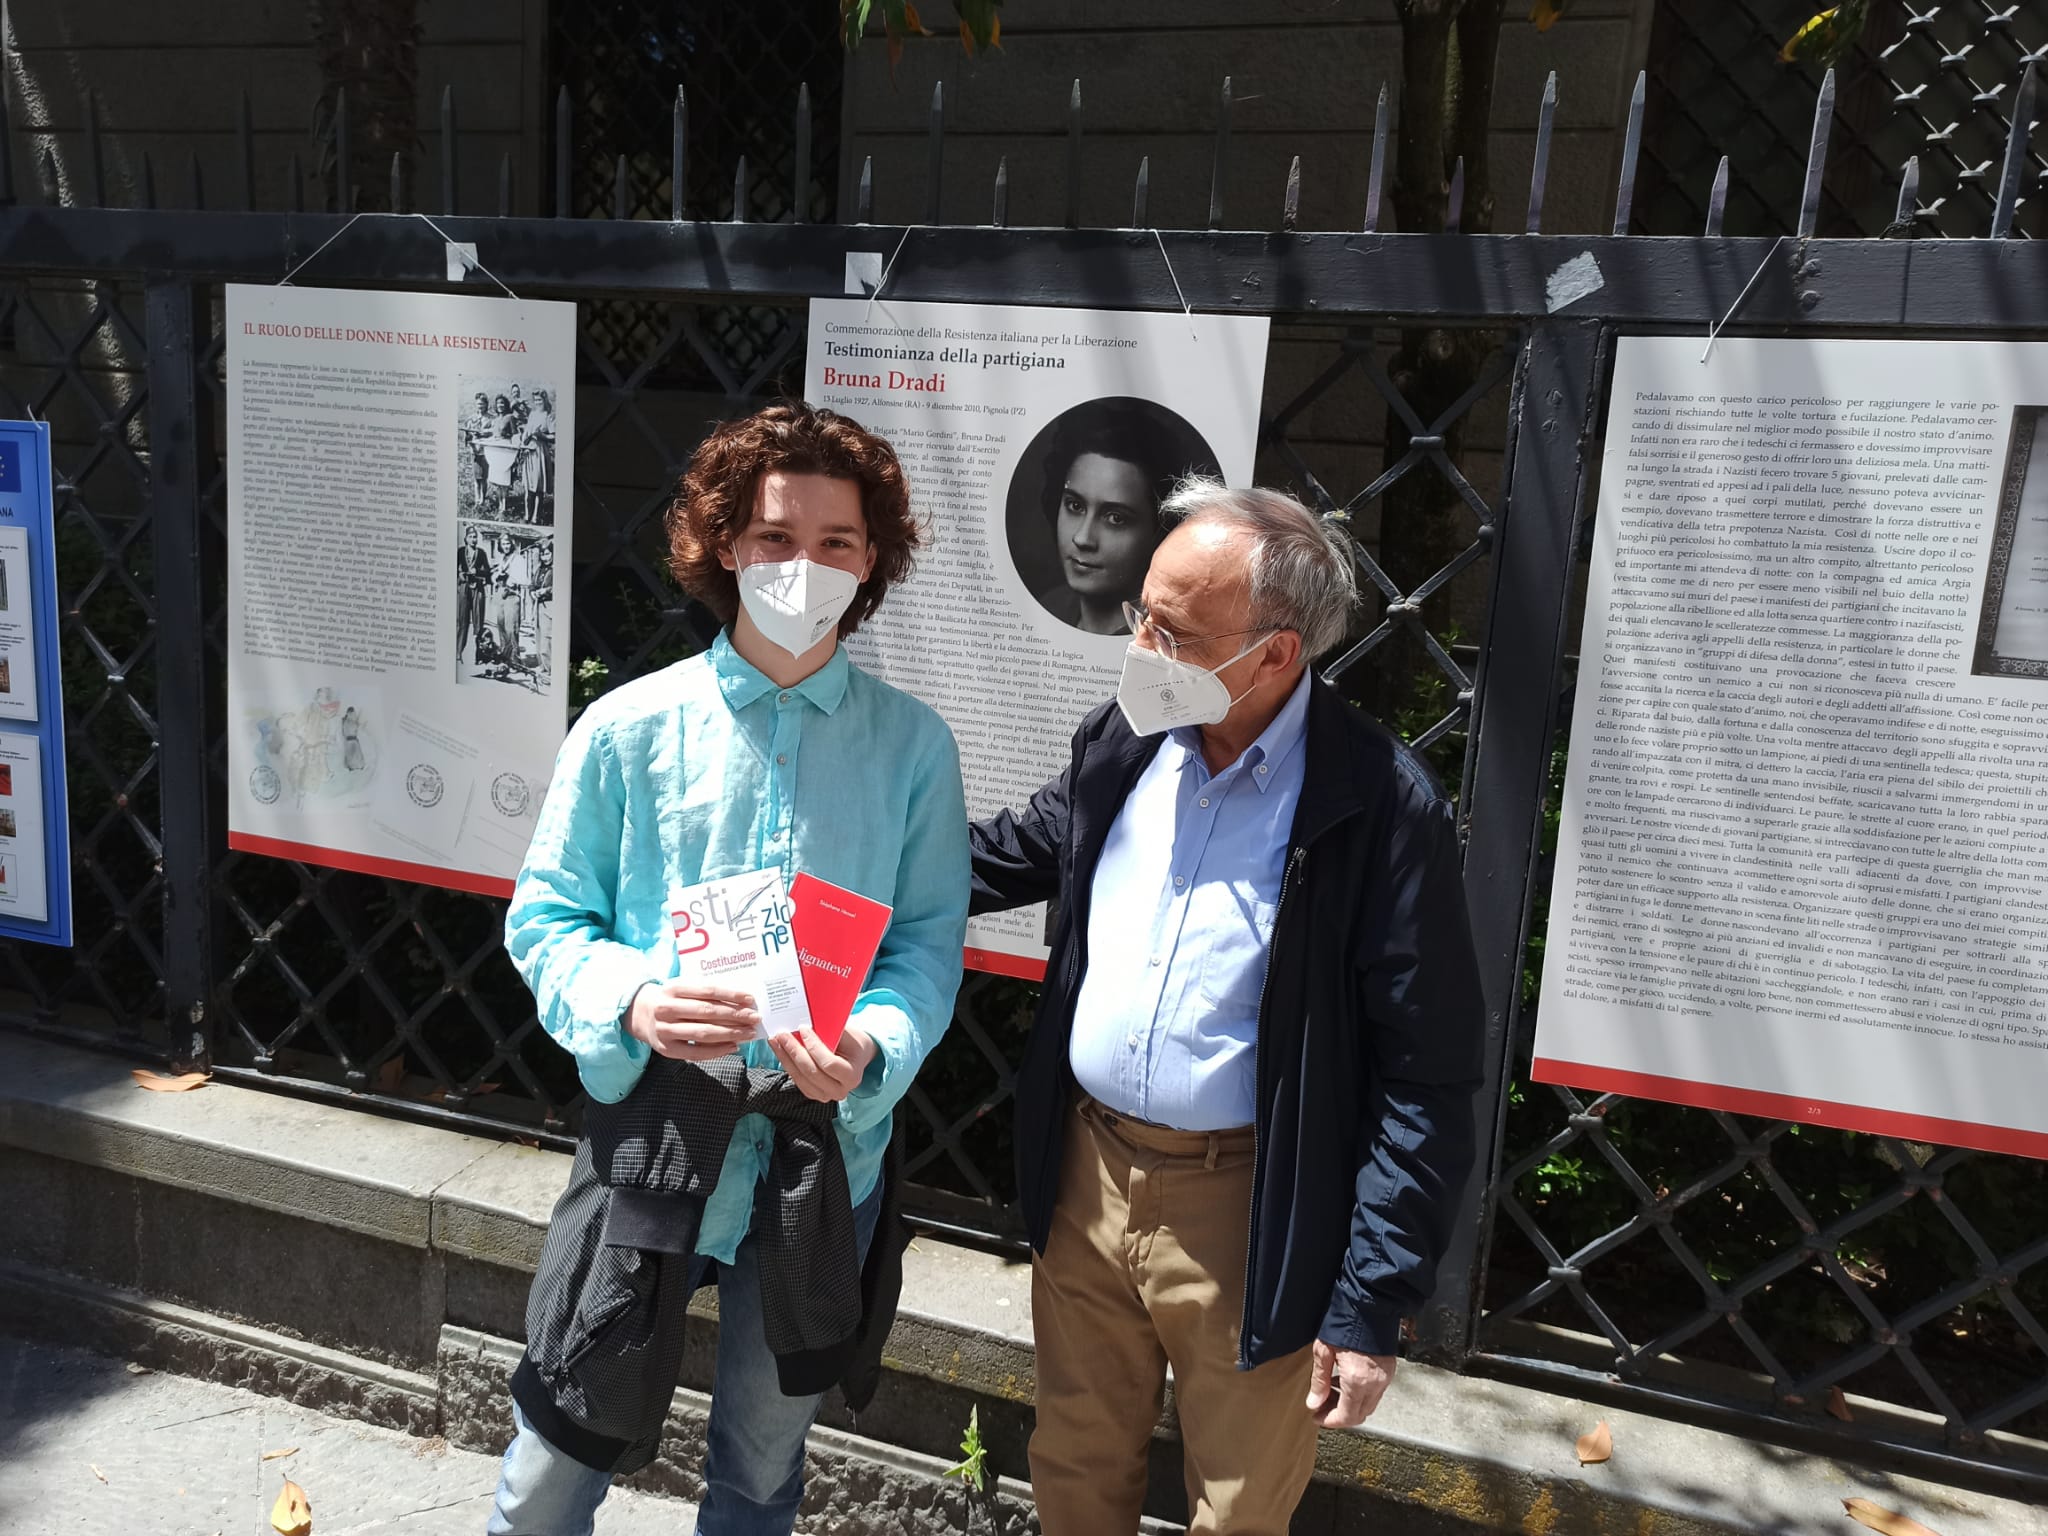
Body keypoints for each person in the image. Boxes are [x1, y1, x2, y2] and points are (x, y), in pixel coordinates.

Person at [489, 401, 969, 1536]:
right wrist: (636, 1001)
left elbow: (925, 943)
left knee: (760, 1468)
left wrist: (873, 1043)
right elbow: (547, 918)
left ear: (872, 561)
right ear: (724, 545)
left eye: (836, 542)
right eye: (774, 537)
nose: (805, 566)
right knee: (557, 1453)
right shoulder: (628, 727)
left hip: (816, 1158)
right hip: (654, 1133)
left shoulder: (913, 748)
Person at [971, 481, 1485, 1535]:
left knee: (1240, 1508)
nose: (1141, 648)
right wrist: (847, 863)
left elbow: (1424, 1075)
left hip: (1251, 1205)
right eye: (1142, 614)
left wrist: (1369, 1301)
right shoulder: (1124, 742)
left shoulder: (1377, 806)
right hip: (1087, 1174)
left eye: (1173, 632)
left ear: (1275, 654)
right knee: (1073, 1467)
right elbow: (1017, 849)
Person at [1030, 405, 1215, 636]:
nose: (1083, 538)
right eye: (1075, 506)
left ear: (1161, 529)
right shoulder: (1052, 606)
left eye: (1115, 518)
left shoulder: (1174, 634)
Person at [456, 527, 493, 666]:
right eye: (470, 536)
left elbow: (488, 571)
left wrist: (477, 571)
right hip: (464, 587)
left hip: (478, 588)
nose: (473, 539)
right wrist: (459, 574)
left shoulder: (481, 553)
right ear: (466, 538)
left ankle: (479, 655)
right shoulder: (460, 551)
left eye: (475, 537)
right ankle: (458, 653)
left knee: (478, 623)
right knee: (462, 622)